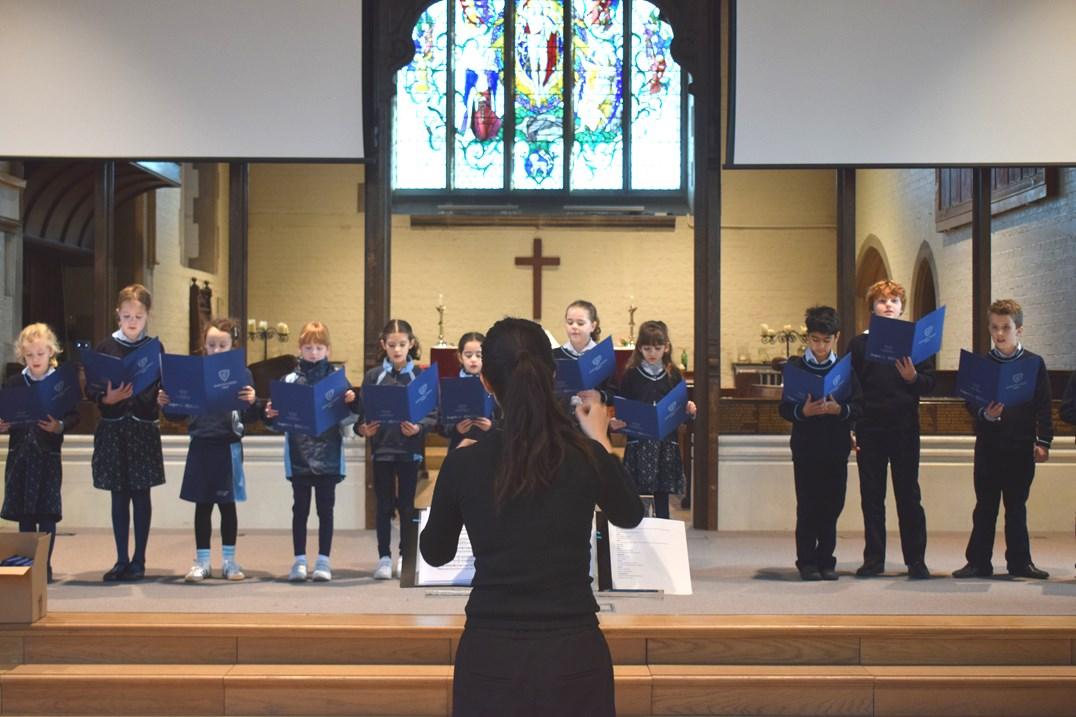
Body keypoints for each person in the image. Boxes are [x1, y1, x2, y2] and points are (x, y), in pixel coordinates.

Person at [420, 317, 643, 717]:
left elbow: (435, 553)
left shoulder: (465, 462)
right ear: (553, 375)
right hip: (573, 649)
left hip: (491, 651)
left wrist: (452, 478)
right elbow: (630, 513)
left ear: (486, 381)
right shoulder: (585, 455)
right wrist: (600, 440)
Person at [953, 299, 1053, 580]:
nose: (999, 333)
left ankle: (1020, 563)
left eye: (1005, 328)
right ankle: (978, 562)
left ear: (1018, 329)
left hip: (1020, 445)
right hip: (989, 446)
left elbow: (1044, 406)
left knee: (1016, 506)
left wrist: (1044, 442)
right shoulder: (982, 364)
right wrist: (986, 413)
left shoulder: (1033, 363)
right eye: (994, 327)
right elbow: (971, 403)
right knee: (985, 506)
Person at [158, 318, 260, 582]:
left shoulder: (242, 374)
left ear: (232, 346)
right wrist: (166, 403)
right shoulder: (193, 373)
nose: (216, 350)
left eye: (222, 345)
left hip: (228, 446)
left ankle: (229, 562)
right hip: (201, 444)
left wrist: (253, 401)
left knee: (227, 506)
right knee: (202, 506)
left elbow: (250, 416)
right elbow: (177, 413)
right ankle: (202, 562)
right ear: (203, 345)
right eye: (211, 345)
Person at [848, 280, 935, 579]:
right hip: (870, 427)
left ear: (901, 308)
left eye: (894, 301)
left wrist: (913, 378)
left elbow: (930, 383)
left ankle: (916, 560)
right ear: (872, 307)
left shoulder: (916, 342)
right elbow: (852, 387)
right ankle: (874, 559)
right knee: (872, 496)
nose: (888, 305)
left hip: (904, 427)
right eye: (882, 301)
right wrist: (851, 427)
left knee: (909, 495)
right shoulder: (859, 344)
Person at [264, 321, 359, 583]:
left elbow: (349, 418)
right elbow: (276, 422)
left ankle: (323, 561)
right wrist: (270, 414)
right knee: (300, 509)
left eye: (319, 348)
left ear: (328, 350)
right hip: (299, 453)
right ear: (300, 349)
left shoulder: (337, 379)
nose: (314, 353)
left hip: (329, 453)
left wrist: (352, 403)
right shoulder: (289, 380)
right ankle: (299, 560)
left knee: (325, 510)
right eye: (308, 348)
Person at [778, 306, 862, 581]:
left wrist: (840, 410)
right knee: (808, 504)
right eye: (815, 340)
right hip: (806, 446)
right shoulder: (796, 367)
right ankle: (807, 561)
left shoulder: (845, 368)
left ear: (836, 338)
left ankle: (827, 560)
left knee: (833, 503)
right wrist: (803, 411)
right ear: (808, 338)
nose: (821, 346)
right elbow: (784, 408)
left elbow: (859, 405)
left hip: (835, 445)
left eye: (827, 340)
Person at [90, 284, 165, 582]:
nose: (132, 322)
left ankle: (139, 560)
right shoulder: (105, 347)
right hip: (114, 429)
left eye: (138, 316)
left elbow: (163, 384)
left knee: (141, 495)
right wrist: (106, 399)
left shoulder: (154, 348)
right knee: (118, 495)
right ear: (117, 315)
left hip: (142, 429)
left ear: (147, 316)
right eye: (126, 316)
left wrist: (163, 397)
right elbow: (92, 387)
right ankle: (121, 558)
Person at [356, 319, 437, 581]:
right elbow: (362, 415)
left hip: (409, 450)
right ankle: (383, 557)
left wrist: (419, 428)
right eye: (392, 345)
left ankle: (405, 555)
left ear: (411, 344)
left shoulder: (420, 376)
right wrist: (363, 429)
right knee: (383, 505)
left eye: (402, 344)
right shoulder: (373, 376)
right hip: (382, 450)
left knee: (406, 506)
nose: (397, 350)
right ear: (384, 345)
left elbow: (432, 414)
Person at [0, 323, 80, 582]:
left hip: (47, 457)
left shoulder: (60, 382)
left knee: (47, 513)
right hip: (21, 456)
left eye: (40, 354)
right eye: (30, 355)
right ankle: (28, 564)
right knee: (25, 514)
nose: (35, 359)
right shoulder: (15, 382)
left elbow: (74, 415)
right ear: (22, 355)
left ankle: (44, 565)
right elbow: (7, 412)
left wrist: (59, 426)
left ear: (51, 352)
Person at [611, 320, 696, 519]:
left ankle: (663, 532)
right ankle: (640, 533)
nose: (652, 353)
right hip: (639, 444)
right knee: (640, 498)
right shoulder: (632, 375)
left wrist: (689, 409)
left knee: (662, 497)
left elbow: (680, 407)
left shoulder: (673, 374)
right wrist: (618, 422)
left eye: (657, 348)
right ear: (639, 348)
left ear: (666, 347)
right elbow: (623, 405)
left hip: (665, 444)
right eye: (647, 348)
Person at [552, 299, 616, 413]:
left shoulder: (602, 355)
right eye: (570, 322)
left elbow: (615, 394)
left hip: (594, 417)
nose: (574, 326)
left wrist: (600, 396)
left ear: (593, 326)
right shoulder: (554, 355)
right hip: (562, 418)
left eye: (580, 323)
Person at [438, 331, 496, 453]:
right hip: (459, 447)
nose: (473, 360)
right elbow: (440, 425)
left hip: (488, 448)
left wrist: (491, 426)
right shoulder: (451, 386)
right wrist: (457, 429)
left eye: (479, 355)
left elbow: (505, 421)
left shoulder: (495, 385)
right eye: (468, 355)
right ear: (460, 357)